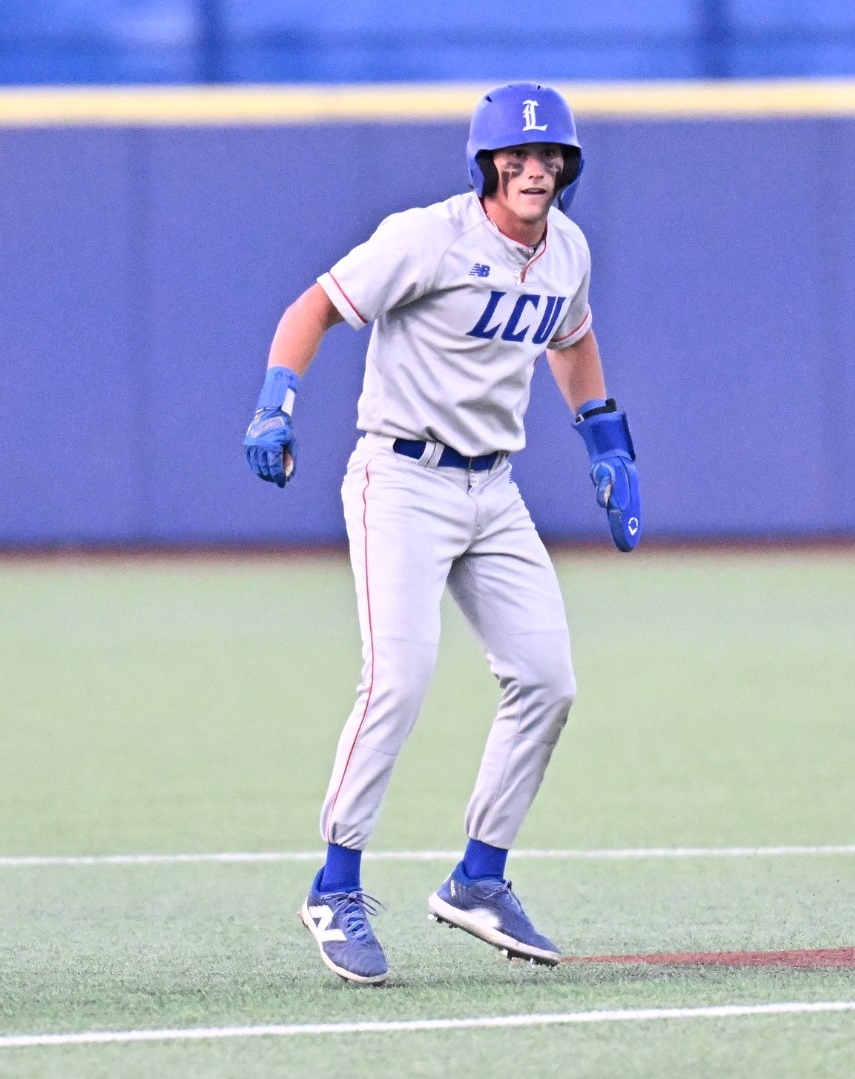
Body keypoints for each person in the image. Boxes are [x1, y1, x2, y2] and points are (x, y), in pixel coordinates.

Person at [240, 82, 641, 985]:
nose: (533, 169)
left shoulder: (567, 250)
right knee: (399, 678)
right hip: (401, 477)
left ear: (566, 169)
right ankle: (333, 884)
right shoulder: (427, 237)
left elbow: (571, 342)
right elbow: (312, 308)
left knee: (546, 678)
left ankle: (478, 878)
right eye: (517, 156)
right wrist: (276, 402)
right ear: (487, 164)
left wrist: (606, 441)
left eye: (549, 158)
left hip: (491, 487)